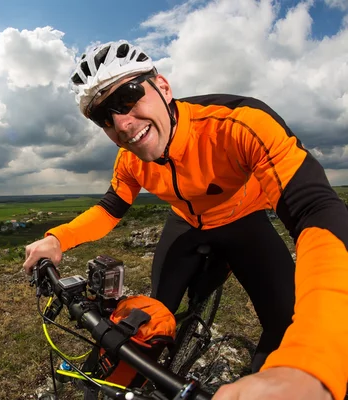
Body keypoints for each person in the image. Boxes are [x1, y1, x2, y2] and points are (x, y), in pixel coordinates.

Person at [23, 40, 348, 400]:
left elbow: (316, 210)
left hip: (244, 220)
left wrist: (311, 364)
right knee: (151, 322)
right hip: (185, 224)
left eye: (127, 98)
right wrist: (56, 239)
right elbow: (111, 207)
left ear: (163, 88)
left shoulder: (238, 123)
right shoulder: (130, 160)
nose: (122, 124)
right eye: (104, 117)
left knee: (283, 323)